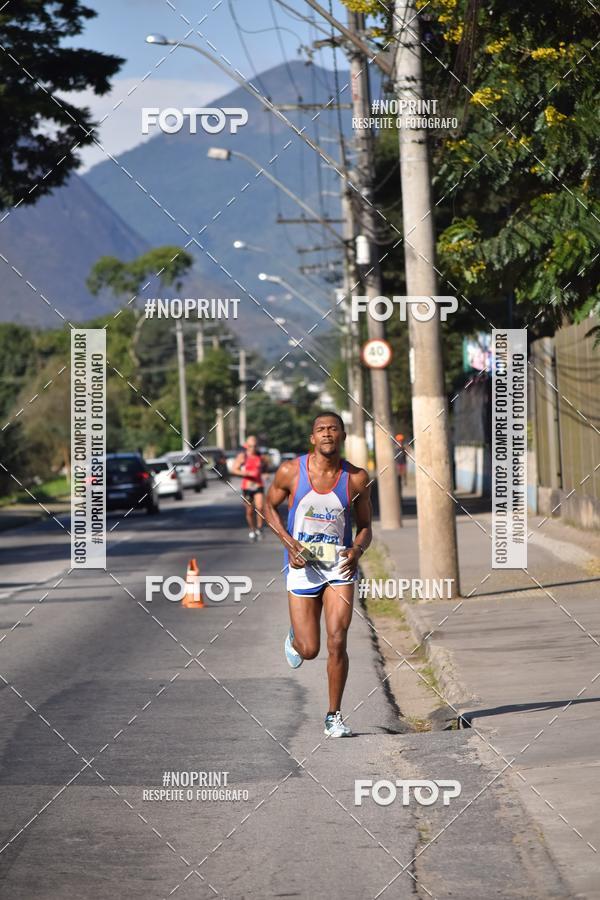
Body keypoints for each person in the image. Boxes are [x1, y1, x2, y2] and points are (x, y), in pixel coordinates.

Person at [265, 412, 372, 738]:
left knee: (337, 640)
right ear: (313, 438)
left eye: (333, 429)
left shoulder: (355, 478)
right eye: (321, 429)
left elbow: (366, 527)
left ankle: (333, 715)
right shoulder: (290, 472)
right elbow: (268, 508)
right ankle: (295, 639)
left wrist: (357, 550)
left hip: (339, 567)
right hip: (302, 568)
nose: (327, 434)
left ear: (341, 436)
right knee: (310, 649)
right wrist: (289, 543)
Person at [232, 436, 268, 541]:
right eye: (251, 446)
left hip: (258, 485)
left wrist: (265, 473)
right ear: (246, 446)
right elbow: (234, 469)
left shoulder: (261, 456)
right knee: (249, 511)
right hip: (247, 487)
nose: (253, 448)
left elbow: (266, 466)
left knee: (260, 507)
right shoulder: (243, 456)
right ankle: (252, 529)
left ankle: (259, 529)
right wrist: (246, 473)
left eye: (255, 446)